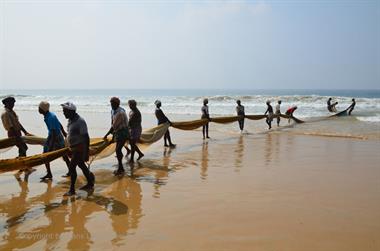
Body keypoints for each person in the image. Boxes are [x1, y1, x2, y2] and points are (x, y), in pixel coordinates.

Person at [61, 102, 95, 196]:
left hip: (79, 148)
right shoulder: (70, 120)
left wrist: (86, 152)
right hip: (73, 148)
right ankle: (90, 183)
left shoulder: (80, 121)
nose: (63, 113)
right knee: (82, 166)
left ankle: (72, 190)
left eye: (65, 111)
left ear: (71, 111)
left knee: (72, 167)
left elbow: (86, 137)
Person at [38, 101, 71, 180]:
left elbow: (53, 132)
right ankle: (70, 171)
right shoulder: (50, 115)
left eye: (39, 108)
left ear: (43, 109)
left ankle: (49, 173)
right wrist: (64, 133)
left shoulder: (50, 117)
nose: (38, 109)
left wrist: (51, 147)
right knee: (64, 155)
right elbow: (59, 124)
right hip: (57, 136)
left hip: (55, 138)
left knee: (45, 155)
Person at [104, 97, 130, 175]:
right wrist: (112, 135)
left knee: (118, 150)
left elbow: (114, 126)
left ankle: (120, 168)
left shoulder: (120, 113)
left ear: (117, 104)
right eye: (111, 104)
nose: (111, 105)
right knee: (118, 149)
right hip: (118, 131)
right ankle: (120, 166)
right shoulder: (113, 110)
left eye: (113, 104)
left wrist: (107, 134)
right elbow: (112, 122)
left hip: (123, 132)